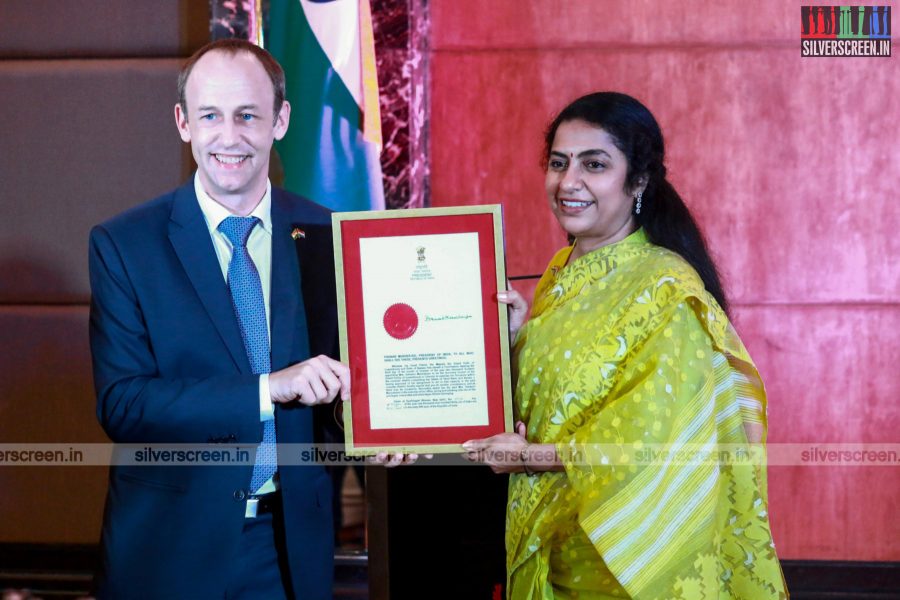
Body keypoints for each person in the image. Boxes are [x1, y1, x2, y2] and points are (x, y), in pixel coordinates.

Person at [463, 92, 787, 599]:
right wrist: (512, 344)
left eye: (594, 165)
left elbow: (651, 444)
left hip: (622, 558)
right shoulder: (558, 274)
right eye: (558, 163)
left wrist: (531, 459)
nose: (569, 183)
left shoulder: (664, 288)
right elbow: (557, 402)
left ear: (637, 181)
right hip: (550, 543)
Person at [88, 39, 350, 599]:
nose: (229, 137)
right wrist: (266, 390)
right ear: (183, 123)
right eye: (210, 115)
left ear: (280, 120)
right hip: (167, 554)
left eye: (248, 115)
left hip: (290, 552)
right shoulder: (125, 245)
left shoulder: (332, 235)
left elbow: (351, 384)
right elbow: (124, 405)